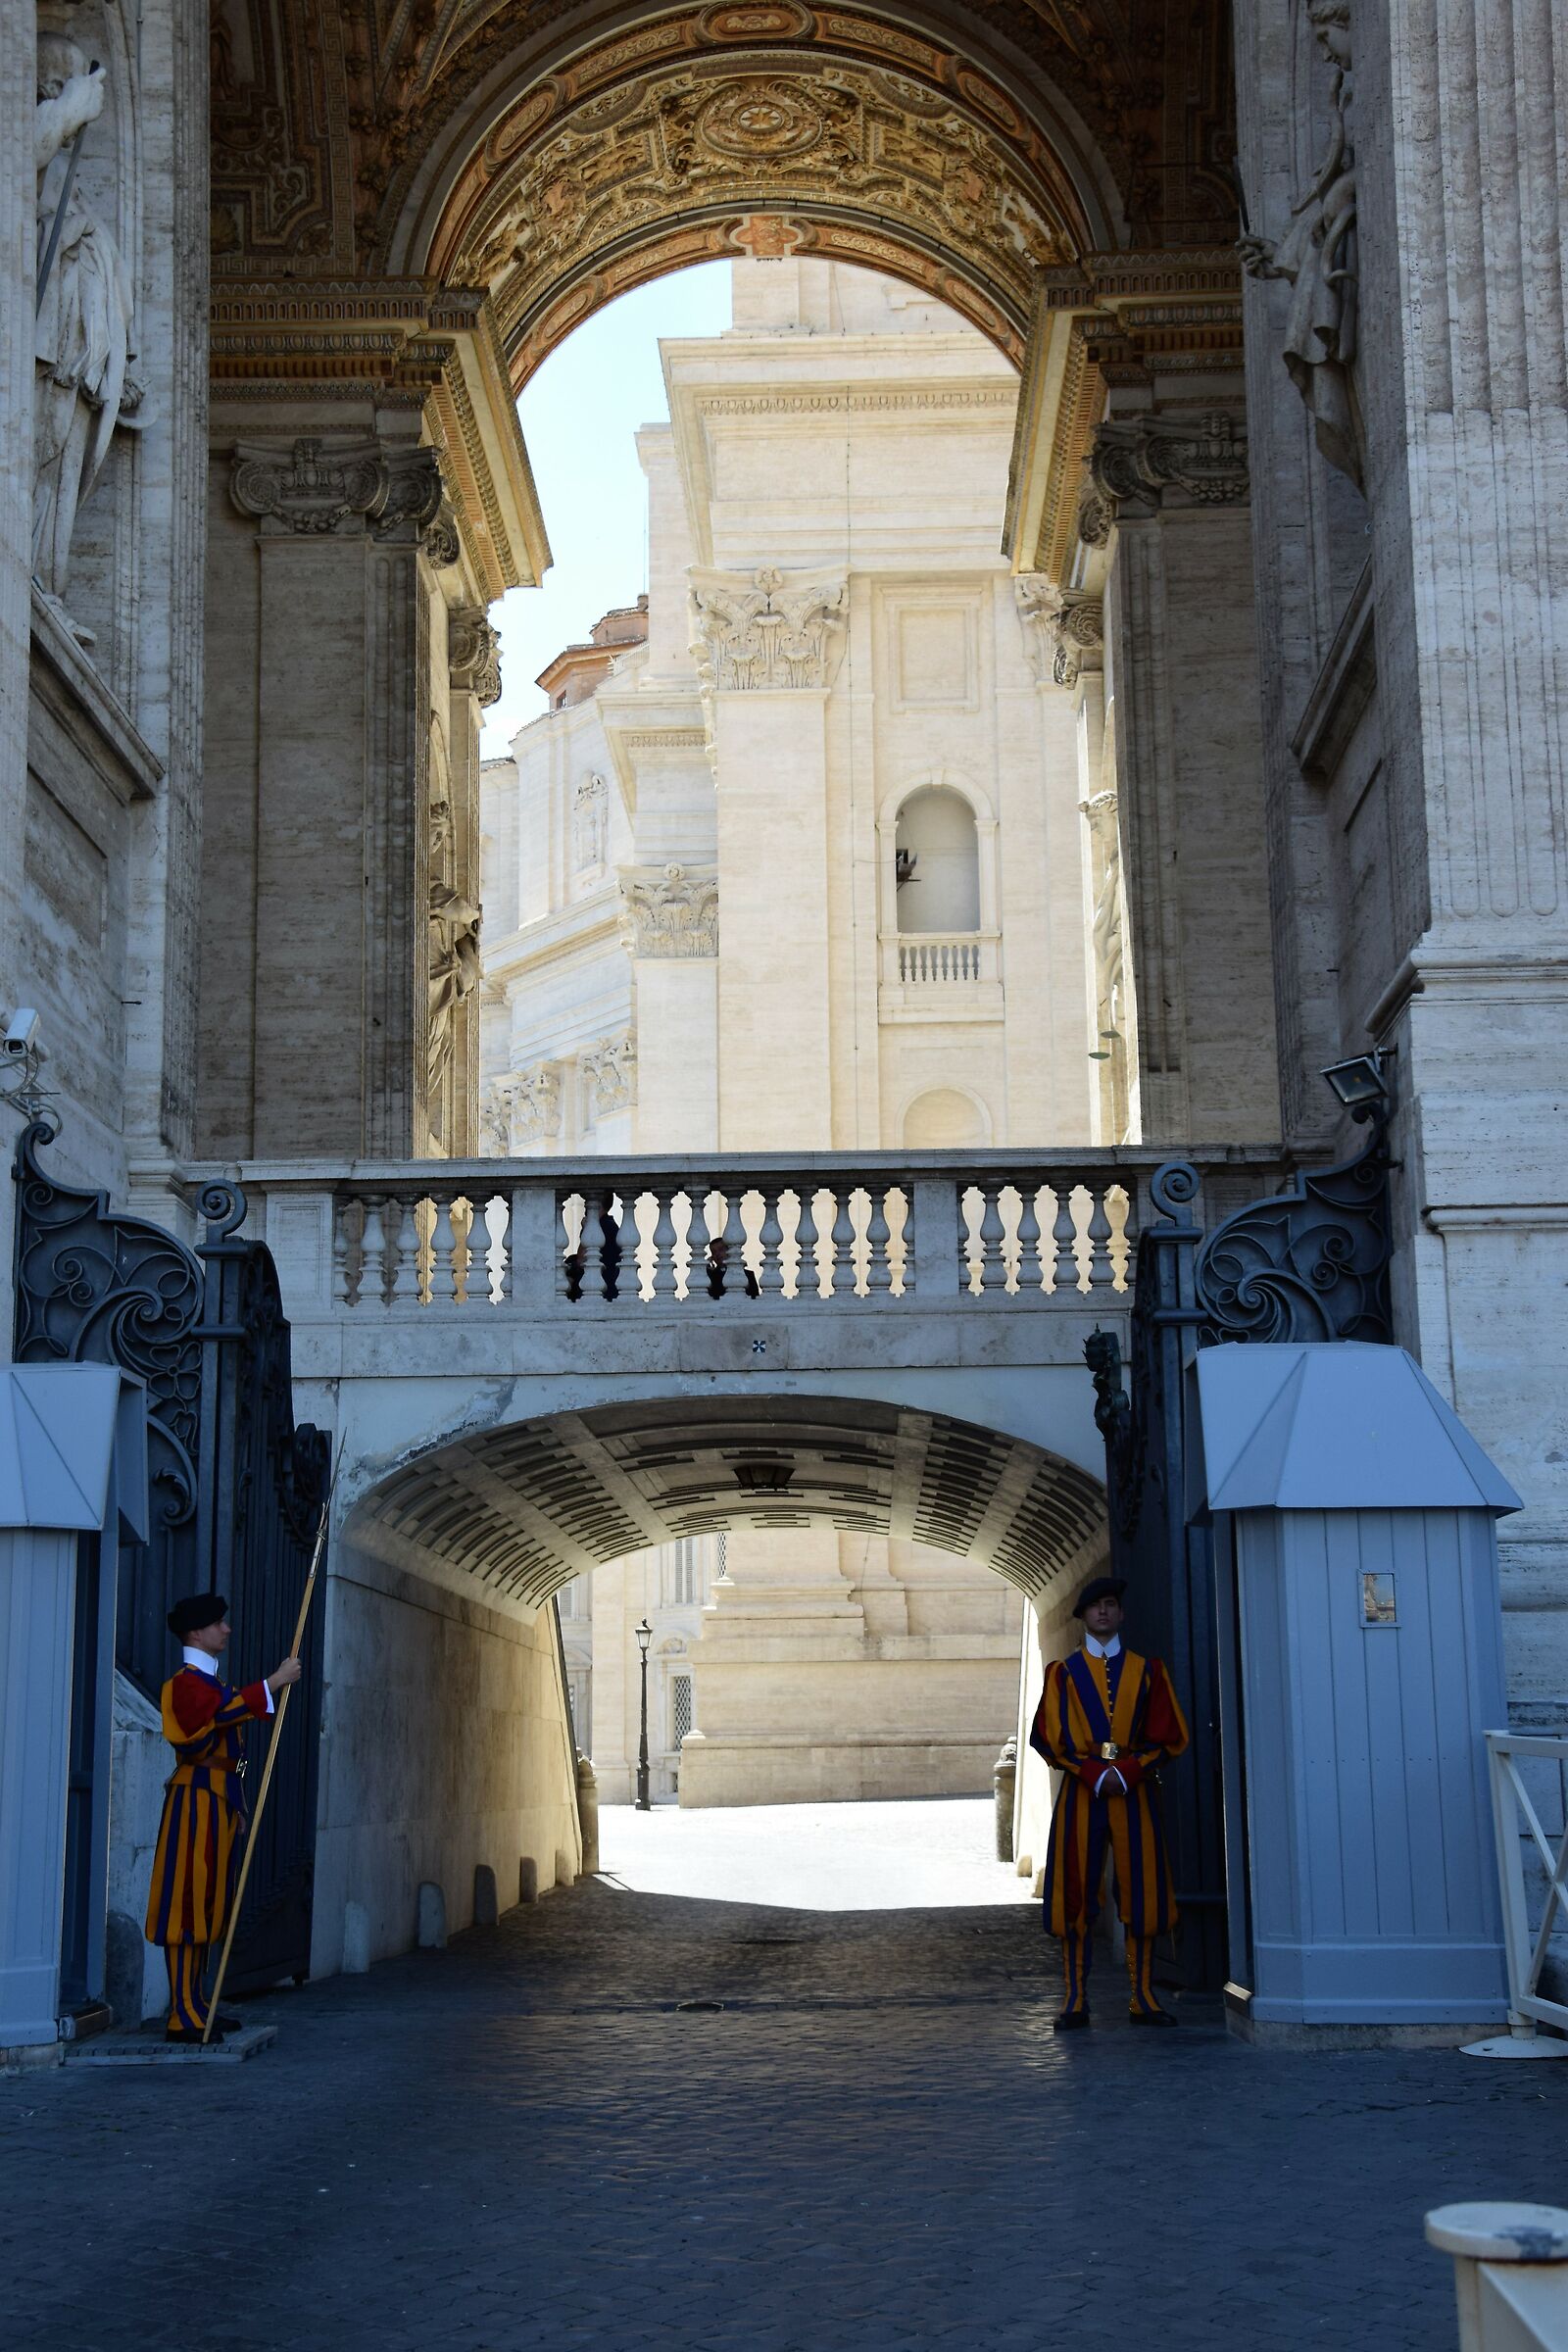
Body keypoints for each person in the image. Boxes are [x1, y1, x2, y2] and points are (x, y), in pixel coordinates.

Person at [1030, 1574, 1189, 2031]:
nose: (1103, 1612)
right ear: (1080, 1615)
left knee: (1144, 1893)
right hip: (1084, 1795)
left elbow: (1168, 1735)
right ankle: (1075, 1998)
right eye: (1094, 1606)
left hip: (1134, 1793)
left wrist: (1129, 1770)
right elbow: (1050, 1738)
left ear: (1121, 1614)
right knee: (1076, 1893)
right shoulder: (1062, 1673)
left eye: (1110, 1605)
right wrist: (1096, 1774)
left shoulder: (1149, 1670)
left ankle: (1143, 1997)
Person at [143, 1593, 301, 2043]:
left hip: (218, 1800)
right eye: (218, 1624)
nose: (226, 1629)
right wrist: (272, 1682)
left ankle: (195, 2003)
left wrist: (241, 1798)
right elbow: (208, 1729)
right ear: (197, 1632)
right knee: (187, 1902)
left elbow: (237, 1757)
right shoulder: (186, 1685)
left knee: (209, 1903)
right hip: (193, 1801)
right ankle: (182, 2012)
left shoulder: (214, 1685)